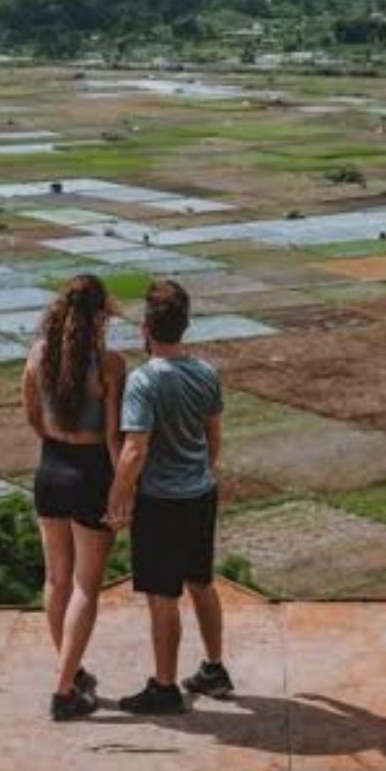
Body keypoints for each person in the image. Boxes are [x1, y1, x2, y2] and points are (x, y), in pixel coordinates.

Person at [105, 279, 233, 715]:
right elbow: (214, 437)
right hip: (200, 493)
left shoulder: (143, 381)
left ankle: (164, 687)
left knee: (163, 596)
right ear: (186, 325)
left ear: (146, 329)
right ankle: (215, 668)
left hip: (161, 501)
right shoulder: (206, 373)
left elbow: (135, 448)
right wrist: (202, 471)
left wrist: (117, 497)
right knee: (202, 583)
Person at [23, 274, 125, 722]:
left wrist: (57, 443)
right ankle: (64, 691)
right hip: (91, 472)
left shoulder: (38, 356)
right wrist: (124, 489)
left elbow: (33, 417)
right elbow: (114, 437)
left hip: (50, 469)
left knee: (56, 580)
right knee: (86, 585)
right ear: (102, 314)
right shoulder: (110, 365)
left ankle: (73, 671)